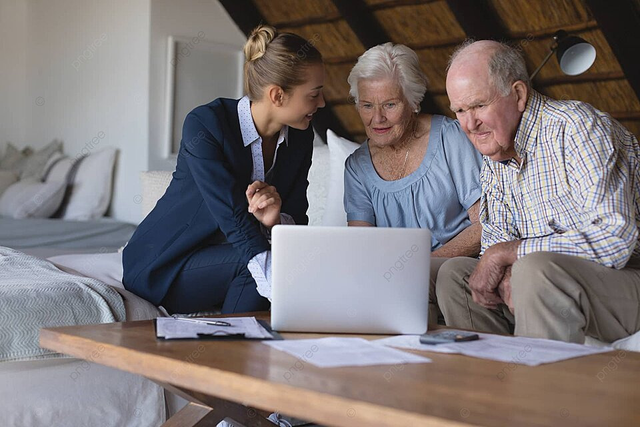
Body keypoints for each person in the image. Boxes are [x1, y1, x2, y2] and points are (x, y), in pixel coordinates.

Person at [438, 39, 640, 343]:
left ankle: (539, 386)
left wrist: (513, 255)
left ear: (518, 94)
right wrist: (506, 267)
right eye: (460, 110)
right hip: (554, 283)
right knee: (455, 275)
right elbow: (495, 244)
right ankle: (492, 382)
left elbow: (616, 239)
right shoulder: (495, 154)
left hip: (626, 279)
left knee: (535, 270)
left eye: (479, 105)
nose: (470, 124)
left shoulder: (577, 129)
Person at [123, 25, 325, 314]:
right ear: (278, 95)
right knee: (259, 266)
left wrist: (274, 221)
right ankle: (232, 349)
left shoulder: (301, 135)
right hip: (165, 264)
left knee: (288, 263)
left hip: (225, 262)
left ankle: (253, 346)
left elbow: (296, 215)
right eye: (314, 94)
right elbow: (233, 217)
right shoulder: (206, 124)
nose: (323, 103)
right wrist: (283, 284)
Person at [343, 42, 483, 323]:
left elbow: (485, 224)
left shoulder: (450, 138)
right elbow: (363, 246)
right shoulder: (357, 167)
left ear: (413, 101)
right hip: (398, 280)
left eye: (390, 105)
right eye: (367, 105)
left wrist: (422, 266)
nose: (377, 118)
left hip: (455, 272)